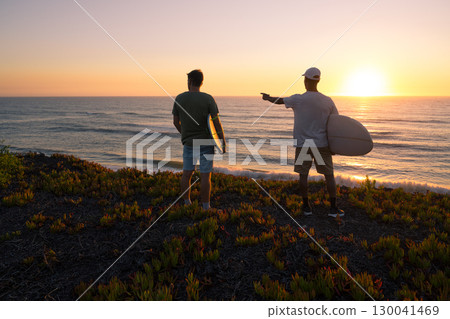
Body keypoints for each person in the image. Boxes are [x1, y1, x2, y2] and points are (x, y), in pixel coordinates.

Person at [261, 67, 344, 217]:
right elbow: (335, 124)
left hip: (303, 145)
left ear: (306, 81)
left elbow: (280, 101)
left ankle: (306, 207)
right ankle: (333, 208)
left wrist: (267, 98)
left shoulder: (298, 99)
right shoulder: (327, 101)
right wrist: (334, 146)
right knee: (329, 175)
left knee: (303, 175)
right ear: (318, 80)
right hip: (322, 144)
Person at [172, 69, 226, 210]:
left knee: (187, 174)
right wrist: (222, 141)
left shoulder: (179, 98)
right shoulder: (208, 99)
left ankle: (187, 203)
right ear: (202, 82)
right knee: (205, 176)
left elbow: (175, 122)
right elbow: (216, 122)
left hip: (189, 143)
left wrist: (185, 134)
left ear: (189, 81)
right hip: (206, 143)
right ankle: (206, 207)